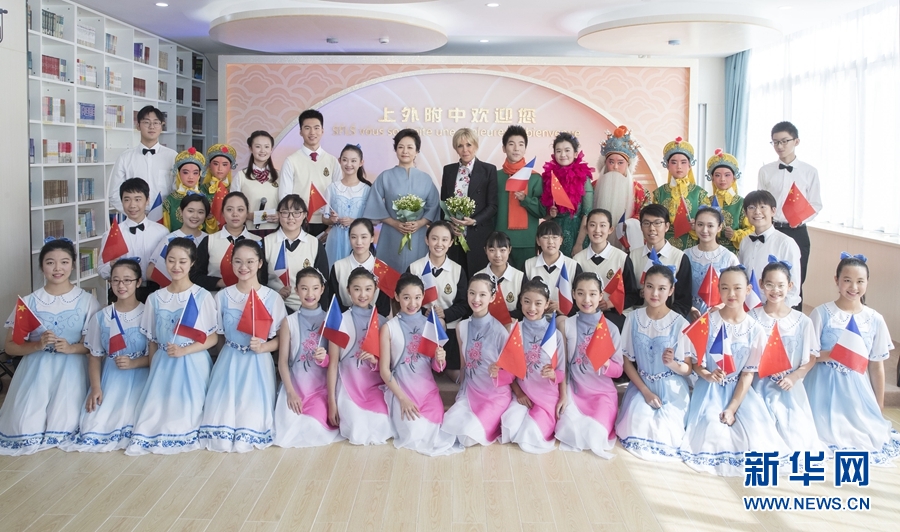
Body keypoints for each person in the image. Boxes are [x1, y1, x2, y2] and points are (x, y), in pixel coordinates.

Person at [679, 266, 789, 476]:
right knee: (712, 432)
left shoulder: (755, 329)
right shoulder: (707, 322)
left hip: (740, 392)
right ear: (718, 289)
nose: (731, 294)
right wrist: (707, 375)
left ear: (748, 290)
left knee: (755, 434)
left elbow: (747, 373)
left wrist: (732, 408)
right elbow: (696, 363)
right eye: (725, 288)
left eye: (737, 288)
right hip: (709, 390)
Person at [0, 239, 101, 455]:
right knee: (24, 428)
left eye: (64, 262)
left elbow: (94, 347)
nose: (57, 268)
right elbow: (10, 347)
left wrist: (71, 348)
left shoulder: (87, 301)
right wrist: (37, 345)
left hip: (72, 373)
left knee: (65, 424)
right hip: (35, 373)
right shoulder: (29, 302)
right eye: (50, 262)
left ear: (73, 265)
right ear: (41, 266)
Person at [126, 238, 219, 455]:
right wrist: (153, 369)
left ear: (192, 263)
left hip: (192, 364)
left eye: (182, 261)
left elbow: (212, 338)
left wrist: (184, 350)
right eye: (171, 260)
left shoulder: (202, 296)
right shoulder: (155, 298)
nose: (176, 266)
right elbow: (152, 339)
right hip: (163, 363)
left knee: (187, 415)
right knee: (154, 417)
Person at [804, 254, 900, 464]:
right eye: (847, 280)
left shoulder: (874, 319)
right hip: (822, 387)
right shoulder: (822, 313)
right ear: (836, 280)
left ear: (867, 282)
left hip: (857, 389)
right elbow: (808, 355)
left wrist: (878, 405)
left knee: (863, 435)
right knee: (821, 432)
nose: (853, 287)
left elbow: (876, 366)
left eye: (860, 281)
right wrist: (835, 354)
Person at [200, 240, 287, 452]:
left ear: (260, 263)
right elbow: (219, 335)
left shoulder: (272, 298)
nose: (243, 267)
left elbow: (283, 340)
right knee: (221, 416)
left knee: (251, 417)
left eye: (250, 261)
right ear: (231, 263)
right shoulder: (222, 296)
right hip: (229, 361)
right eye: (238, 261)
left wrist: (263, 347)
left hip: (258, 363)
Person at [614, 265, 691, 461]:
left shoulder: (680, 323)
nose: (655, 293)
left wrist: (672, 363)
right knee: (637, 422)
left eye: (662, 288)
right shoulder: (633, 318)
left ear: (671, 290)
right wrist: (645, 392)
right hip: (641, 385)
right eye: (650, 286)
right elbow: (626, 360)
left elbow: (687, 368)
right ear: (643, 287)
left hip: (671, 389)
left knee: (665, 432)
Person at [379, 273, 461, 456]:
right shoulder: (389, 328)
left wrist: (440, 358)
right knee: (415, 434)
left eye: (417, 297)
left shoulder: (430, 325)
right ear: (397, 296)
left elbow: (436, 367)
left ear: (423, 296)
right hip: (402, 392)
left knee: (436, 433)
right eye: (406, 297)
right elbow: (384, 370)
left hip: (428, 392)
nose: (412, 303)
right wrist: (402, 398)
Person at [749, 260, 823, 453]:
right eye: (770, 284)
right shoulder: (751, 318)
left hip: (789, 387)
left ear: (790, 286)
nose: (775, 290)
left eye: (781, 285)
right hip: (756, 385)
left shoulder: (802, 321)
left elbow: (811, 358)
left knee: (797, 440)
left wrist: (793, 377)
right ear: (761, 284)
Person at [555, 272, 624, 458]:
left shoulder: (611, 328)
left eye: (593, 294)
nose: (586, 300)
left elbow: (618, 371)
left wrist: (606, 362)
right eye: (580, 293)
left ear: (601, 296)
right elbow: (563, 365)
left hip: (602, 394)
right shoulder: (567, 325)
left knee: (595, 434)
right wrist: (563, 394)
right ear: (573, 294)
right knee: (568, 430)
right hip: (575, 390)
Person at [274, 268, 344, 448]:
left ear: (322, 289)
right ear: (296, 290)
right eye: (304, 288)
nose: (310, 294)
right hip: (295, 386)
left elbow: (334, 362)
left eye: (315, 288)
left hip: (321, 388)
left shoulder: (330, 320)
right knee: (286, 430)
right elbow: (283, 362)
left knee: (313, 428)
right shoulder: (288, 322)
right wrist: (290, 392)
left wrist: (324, 358)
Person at [441, 274, 512, 447]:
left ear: (492, 297)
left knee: (468, 437)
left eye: (482, 294)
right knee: (447, 429)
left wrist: (498, 372)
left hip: (494, 396)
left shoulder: (500, 332)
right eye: (472, 293)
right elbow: (464, 365)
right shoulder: (462, 326)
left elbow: (511, 373)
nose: (476, 299)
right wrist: (461, 394)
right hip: (470, 392)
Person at [325, 267, 394, 445]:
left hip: (375, 386)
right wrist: (331, 402)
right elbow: (333, 364)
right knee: (357, 428)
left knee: (382, 425)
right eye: (357, 289)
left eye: (368, 289)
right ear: (348, 290)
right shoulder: (339, 320)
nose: (363, 294)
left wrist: (374, 361)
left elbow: (389, 364)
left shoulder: (383, 322)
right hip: (348, 385)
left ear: (375, 290)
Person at [758, 121, 823, 306]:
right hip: (771, 230)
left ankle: (794, 319)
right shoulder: (765, 171)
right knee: (767, 278)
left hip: (797, 231)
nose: (780, 146)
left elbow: (816, 204)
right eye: (775, 142)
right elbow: (761, 202)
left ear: (796, 141)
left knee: (795, 280)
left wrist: (799, 219)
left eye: (784, 141)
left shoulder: (810, 172)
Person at [500, 279, 567, 454]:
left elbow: (561, 372)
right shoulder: (514, 330)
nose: (532, 308)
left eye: (538, 303)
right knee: (509, 426)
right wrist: (518, 393)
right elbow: (508, 370)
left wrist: (553, 375)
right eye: (527, 301)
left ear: (546, 304)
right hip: (522, 394)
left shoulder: (555, 335)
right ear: (520, 301)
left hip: (546, 396)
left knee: (530, 435)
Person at [362, 129, 440, 274]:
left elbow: (434, 206)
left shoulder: (426, 179)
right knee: (388, 276)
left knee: (416, 275)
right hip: (391, 233)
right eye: (401, 147)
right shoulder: (385, 176)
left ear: (417, 151)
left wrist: (420, 223)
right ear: (396, 149)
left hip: (418, 235)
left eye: (410, 147)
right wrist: (394, 223)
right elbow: (375, 203)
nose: (405, 151)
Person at [407, 221, 470, 382]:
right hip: (420, 326)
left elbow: (464, 304)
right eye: (434, 238)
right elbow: (404, 299)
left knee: (456, 375)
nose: (439, 244)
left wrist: (445, 314)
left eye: (444, 239)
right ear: (426, 240)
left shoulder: (457, 270)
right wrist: (423, 311)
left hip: (449, 329)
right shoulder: (415, 268)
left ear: (451, 242)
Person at [98, 177, 169, 302]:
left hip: (153, 291)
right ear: (121, 201)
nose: (132, 205)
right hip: (122, 291)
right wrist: (112, 266)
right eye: (127, 199)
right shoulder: (112, 234)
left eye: (138, 199)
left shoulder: (162, 232)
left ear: (147, 200)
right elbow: (102, 271)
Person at [441, 128, 499, 276]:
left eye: (469, 145)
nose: (465, 150)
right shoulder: (448, 170)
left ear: (476, 146)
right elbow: (444, 204)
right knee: (455, 278)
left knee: (479, 279)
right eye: (460, 146)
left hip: (479, 235)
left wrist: (473, 221)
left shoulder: (488, 170)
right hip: (454, 236)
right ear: (456, 148)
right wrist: (449, 225)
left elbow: (493, 206)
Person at [572, 208, 641, 331]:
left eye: (602, 225)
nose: (597, 230)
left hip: (616, 312)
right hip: (585, 312)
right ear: (586, 229)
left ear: (610, 229)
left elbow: (632, 294)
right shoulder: (578, 260)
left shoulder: (622, 258)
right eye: (592, 225)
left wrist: (611, 303)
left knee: (608, 327)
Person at [277, 109, 341, 236]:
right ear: (300, 131)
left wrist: (331, 226)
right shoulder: (291, 161)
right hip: (299, 223)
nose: (312, 132)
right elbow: (284, 197)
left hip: (326, 223)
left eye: (316, 128)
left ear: (322, 130)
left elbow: (338, 196)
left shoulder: (332, 161)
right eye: (307, 128)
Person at [263, 195, 329, 313]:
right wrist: (275, 295)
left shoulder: (314, 243)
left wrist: (321, 313)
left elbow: (323, 282)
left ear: (304, 215)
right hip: (274, 307)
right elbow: (259, 281)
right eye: (285, 212)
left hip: (308, 308)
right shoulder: (267, 243)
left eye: (296, 213)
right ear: (278, 214)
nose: (291, 217)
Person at [737, 190, 801, 309]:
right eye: (751, 207)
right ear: (745, 213)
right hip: (747, 307)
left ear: (773, 211)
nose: (757, 212)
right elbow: (741, 275)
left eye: (762, 207)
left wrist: (779, 310)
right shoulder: (745, 242)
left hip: (774, 307)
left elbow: (794, 285)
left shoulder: (786, 243)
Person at [108, 105, 177, 214]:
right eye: (146, 122)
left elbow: (177, 189)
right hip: (135, 218)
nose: (151, 126)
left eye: (156, 122)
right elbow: (114, 194)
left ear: (162, 126)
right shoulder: (125, 158)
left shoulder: (173, 156)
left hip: (166, 216)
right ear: (138, 126)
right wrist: (135, 213)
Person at [494, 125, 545, 271]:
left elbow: (542, 211)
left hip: (527, 241)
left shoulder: (535, 177)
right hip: (500, 241)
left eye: (521, 144)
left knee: (525, 281)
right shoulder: (495, 177)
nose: (516, 148)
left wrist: (525, 200)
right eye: (511, 144)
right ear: (504, 148)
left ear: (525, 148)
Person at [629, 204, 692, 319]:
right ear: (641, 227)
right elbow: (627, 294)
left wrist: (667, 320)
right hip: (636, 318)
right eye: (646, 223)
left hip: (668, 319)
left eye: (657, 223)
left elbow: (683, 300)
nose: (652, 228)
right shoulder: (632, 256)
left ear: (667, 226)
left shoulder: (680, 258)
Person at [193, 192, 264, 294]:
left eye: (240, 210)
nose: (235, 214)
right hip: (215, 299)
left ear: (247, 213)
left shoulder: (257, 241)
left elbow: (264, 278)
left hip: (250, 299)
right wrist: (221, 282)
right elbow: (195, 276)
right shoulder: (209, 241)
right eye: (229, 209)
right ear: (222, 213)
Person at [592, 125, 649, 252]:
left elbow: (646, 216)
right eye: (611, 162)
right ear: (605, 163)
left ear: (628, 164)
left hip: (628, 245)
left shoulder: (639, 190)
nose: (615, 167)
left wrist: (629, 224)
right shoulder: (593, 187)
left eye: (620, 162)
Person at [540, 132, 594, 257]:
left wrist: (579, 244)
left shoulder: (584, 178)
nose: (563, 154)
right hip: (554, 234)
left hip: (576, 233)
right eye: (558, 151)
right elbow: (545, 216)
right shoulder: (549, 177)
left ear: (575, 154)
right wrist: (550, 214)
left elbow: (587, 214)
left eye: (567, 150)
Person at [651, 136, 710, 250]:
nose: (679, 167)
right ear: (667, 165)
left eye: (683, 162)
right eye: (674, 162)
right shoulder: (659, 193)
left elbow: (708, 220)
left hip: (693, 244)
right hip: (664, 244)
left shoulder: (700, 193)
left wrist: (697, 224)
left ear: (689, 165)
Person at [328, 218, 391, 317]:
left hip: (374, 322)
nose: (359, 242)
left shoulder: (382, 268)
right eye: (354, 237)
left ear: (372, 238)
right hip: (344, 321)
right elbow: (333, 304)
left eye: (364, 237)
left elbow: (384, 308)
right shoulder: (338, 267)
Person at [685, 206, 739, 319]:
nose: (704, 230)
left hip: (719, 316)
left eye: (710, 226)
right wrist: (689, 307)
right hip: (689, 316)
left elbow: (738, 290)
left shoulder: (729, 258)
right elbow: (678, 288)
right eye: (700, 224)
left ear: (719, 227)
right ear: (694, 225)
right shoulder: (686, 255)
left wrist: (721, 306)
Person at [323, 144, 371, 270]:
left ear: (361, 163)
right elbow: (324, 219)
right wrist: (331, 220)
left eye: (353, 161)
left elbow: (372, 221)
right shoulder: (332, 188)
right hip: (336, 238)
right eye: (345, 160)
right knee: (335, 271)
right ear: (339, 161)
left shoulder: (367, 190)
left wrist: (354, 221)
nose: (349, 164)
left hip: (358, 239)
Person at [146, 194, 210, 288]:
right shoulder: (170, 239)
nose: (195, 216)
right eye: (190, 211)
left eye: (200, 212)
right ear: (181, 211)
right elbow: (150, 272)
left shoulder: (209, 240)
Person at [522, 220, 582, 318]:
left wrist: (563, 307)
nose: (550, 242)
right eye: (545, 237)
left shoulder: (573, 266)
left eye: (555, 237)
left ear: (561, 240)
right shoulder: (528, 265)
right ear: (538, 241)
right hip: (534, 317)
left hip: (564, 317)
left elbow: (581, 299)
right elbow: (522, 298)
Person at [230, 130, 280, 238]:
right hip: (248, 231)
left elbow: (287, 203)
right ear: (250, 148)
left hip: (276, 231)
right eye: (258, 146)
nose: (262, 150)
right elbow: (232, 205)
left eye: (266, 147)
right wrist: (247, 216)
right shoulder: (241, 176)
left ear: (271, 149)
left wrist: (281, 215)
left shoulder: (280, 176)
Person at [706, 149, 752, 253]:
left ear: (734, 178)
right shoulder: (707, 201)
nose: (722, 179)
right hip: (710, 250)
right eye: (717, 175)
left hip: (734, 252)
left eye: (727, 175)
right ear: (712, 178)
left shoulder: (742, 202)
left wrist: (735, 234)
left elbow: (752, 229)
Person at [475, 231, 524, 325]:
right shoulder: (477, 277)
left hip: (511, 326)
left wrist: (504, 318)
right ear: (485, 250)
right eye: (492, 250)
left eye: (502, 250)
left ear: (509, 250)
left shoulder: (520, 277)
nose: (497, 255)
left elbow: (523, 308)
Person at [163, 147, 217, 233]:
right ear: (178, 173)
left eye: (195, 173)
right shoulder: (171, 200)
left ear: (199, 175)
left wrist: (210, 219)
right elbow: (166, 229)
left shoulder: (205, 198)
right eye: (185, 172)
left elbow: (211, 231)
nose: (191, 177)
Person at [202, 143, 239, 233]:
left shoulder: (234, 189)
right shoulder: (201, 190)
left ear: (230, 166)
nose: (220, 168)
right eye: (216, 164)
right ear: (209, 166)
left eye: (224, 164)